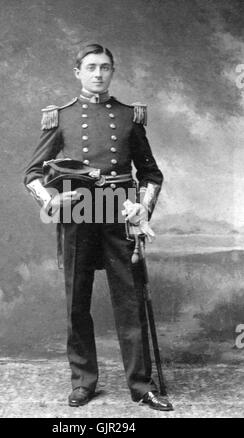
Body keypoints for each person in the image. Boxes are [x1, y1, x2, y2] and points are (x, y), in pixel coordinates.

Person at [24, 44, 173, 411]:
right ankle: (83, 382)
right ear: (77, 72)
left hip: (120, 213)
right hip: (79, 211)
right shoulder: (61, 117)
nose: (98, 74)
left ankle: (141, 386)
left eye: (105, 67)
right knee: (77, 300)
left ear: (113, 71)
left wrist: (143, 208)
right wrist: (51, 201)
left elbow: (151, 174)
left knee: (130, 303)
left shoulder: (128, 117)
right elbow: (32, 174)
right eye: (90, 67)